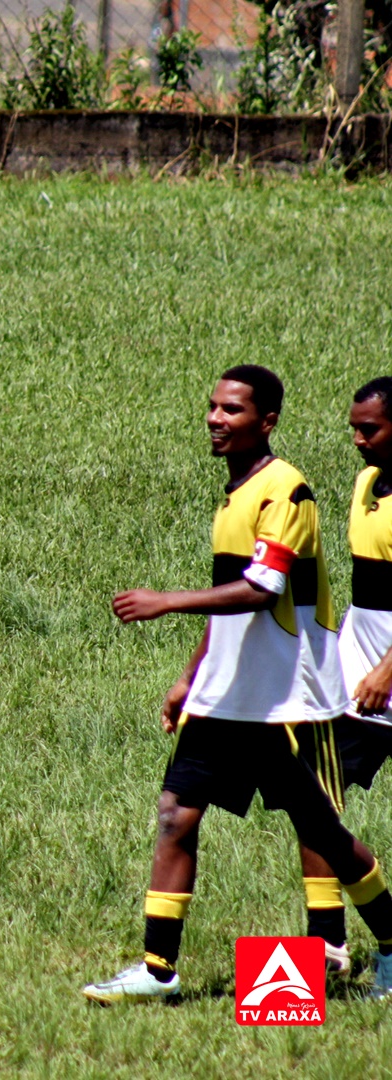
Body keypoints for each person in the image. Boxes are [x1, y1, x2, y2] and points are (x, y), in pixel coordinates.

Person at [83, 365, 392, 1004]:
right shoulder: (236, 492)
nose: (215, 420)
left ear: (267, 420)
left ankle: (387, 941)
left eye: (232, 410)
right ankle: (157, 970)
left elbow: (262, 589)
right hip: (226, 698)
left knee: (324, 833)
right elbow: (231, 600)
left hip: (288, 702)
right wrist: (189, 677)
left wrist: (165, 601)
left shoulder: (288, 491)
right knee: (175, 815)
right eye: (213, 408)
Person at [293, 377, 392, 971]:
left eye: (369, 429)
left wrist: (389, 666)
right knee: (315, 800)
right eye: (353, 427)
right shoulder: (365, 483)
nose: (356, 439)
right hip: (359, 674)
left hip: (385, 671)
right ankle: (327, 942)